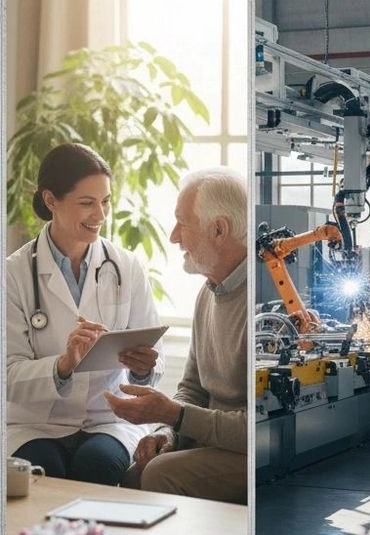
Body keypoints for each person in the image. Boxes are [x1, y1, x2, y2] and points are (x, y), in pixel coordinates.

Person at [6, 143, 163, 486]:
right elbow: (8, 374)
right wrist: (63, 365)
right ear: (51, 200)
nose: (101, 215)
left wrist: (143, 368)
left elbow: (155, 359)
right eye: (87, 203)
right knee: (44, 472)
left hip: (108, 419)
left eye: (106, 201)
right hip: (35, 424)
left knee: (97, 465)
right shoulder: (13, 275)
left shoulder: (127, 267)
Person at [104, 168, 248, 504]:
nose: (173, 237)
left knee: (159, 474)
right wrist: (167, 431)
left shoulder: (254, 299)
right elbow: (192, 388)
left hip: (249, 449)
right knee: (134, 472)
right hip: (214, 440)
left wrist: (174, 416)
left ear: (219, 229)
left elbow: (255, 427)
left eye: (182, 223)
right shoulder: (208, 293)